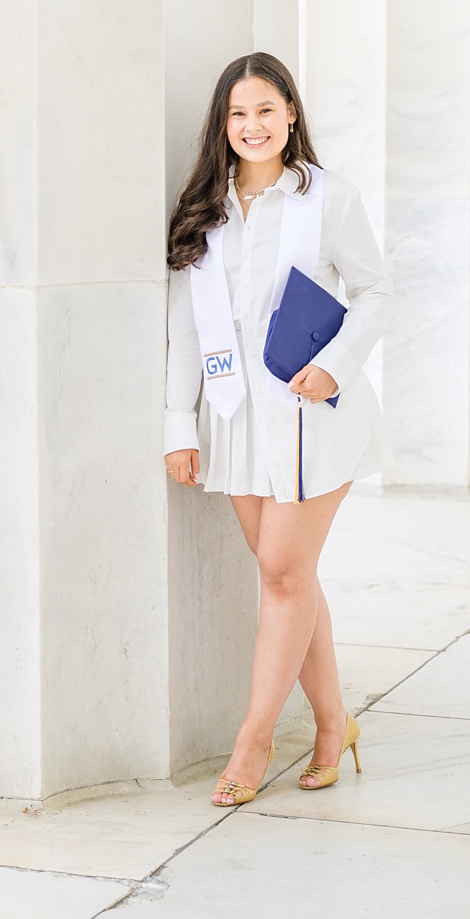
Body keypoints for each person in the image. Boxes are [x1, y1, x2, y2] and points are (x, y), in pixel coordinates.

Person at [163, 52, 394, 807]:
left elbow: (375, 290)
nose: (252, 126)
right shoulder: (208, 209)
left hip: (310, 416)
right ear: (221, 127)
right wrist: (179, 423)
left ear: (291, 113)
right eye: (238, 114)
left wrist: (336, 362)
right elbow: (185, 328)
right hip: (233, 419)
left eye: (266, 110)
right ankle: (335, 727)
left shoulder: (326, 199)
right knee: (288, 577)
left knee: (284, 576)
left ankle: (254, 737)